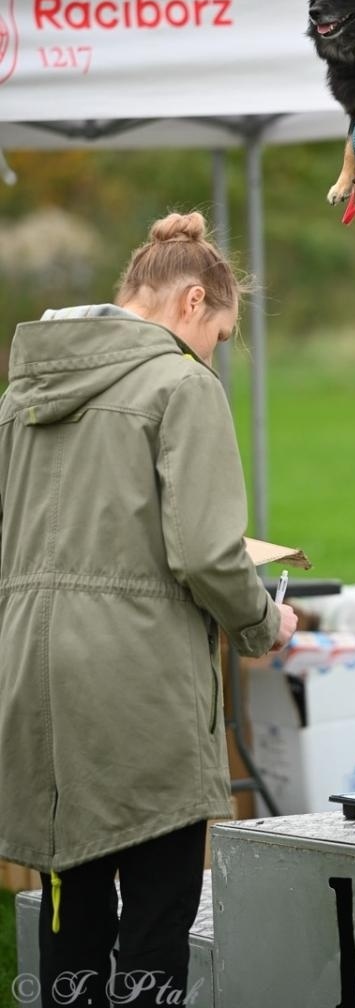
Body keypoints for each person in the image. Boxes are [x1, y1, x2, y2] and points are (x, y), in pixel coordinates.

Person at [0, 211, 298, 1008]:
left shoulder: (21, 392)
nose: (215, 354)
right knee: (156, 922)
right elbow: (204, 551)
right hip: (138, 678)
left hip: (30, 676)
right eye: (222, 335)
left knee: (70, 906)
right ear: (192, 301)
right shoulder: (179, 384)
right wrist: (263, 623)